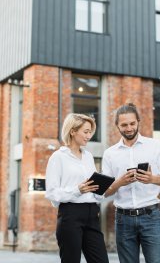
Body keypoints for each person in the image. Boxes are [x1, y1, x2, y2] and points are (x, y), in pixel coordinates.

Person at [102, 103, 160, 263]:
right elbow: (105, 191)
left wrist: (152, 179)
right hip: (123, 219)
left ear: (138, 122)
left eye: (132, 123)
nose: (129, 128)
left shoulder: (155, 146)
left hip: (150, 216)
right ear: (117, 126)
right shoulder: (110, 154)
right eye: (124, 125)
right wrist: (119, 182)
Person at [45, 113, 109, 263]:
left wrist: (100, 189)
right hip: (70, 215)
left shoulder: (88, 157)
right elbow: (52, 193)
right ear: (73, 131)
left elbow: (92, 189)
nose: (89, 136)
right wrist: (77, 190)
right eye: (85, 132)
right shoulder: (58, 157)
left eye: (90, 132)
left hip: (92, 213)